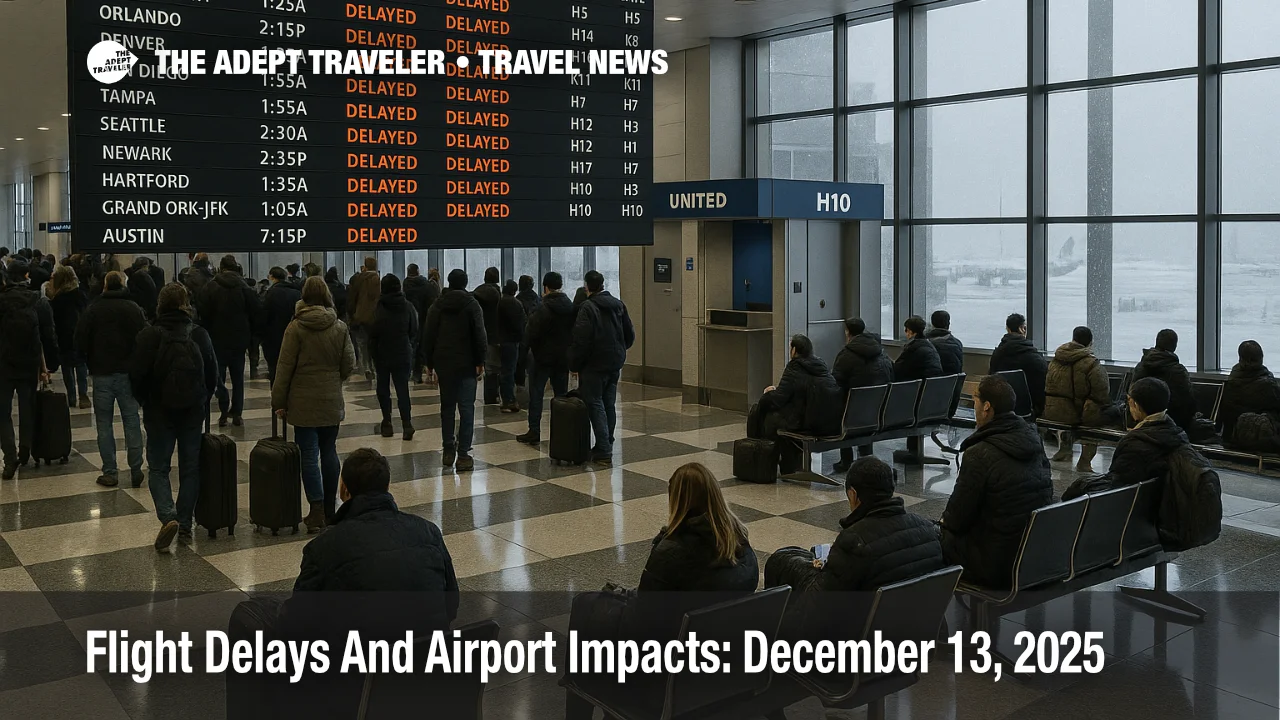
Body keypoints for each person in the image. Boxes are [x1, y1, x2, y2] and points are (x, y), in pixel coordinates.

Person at [764, 457, 944, 638]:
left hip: (866, 636)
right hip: (917, 632)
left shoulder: (854, 541)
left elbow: (821, 604)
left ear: (853, 494)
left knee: (782, 563)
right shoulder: (927, 529)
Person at [940, 375, 1053, 588]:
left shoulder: (979, 453)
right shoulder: (1033, 440)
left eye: (975, 400)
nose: (974, 406)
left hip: (995, 563)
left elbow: (957, 519)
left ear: (987, 407)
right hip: (1032, 553)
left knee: (927, 542)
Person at [131, 283, 218, 550]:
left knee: (158, 467)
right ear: (185, 305)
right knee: (190, 467)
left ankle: (168, 516)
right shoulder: (199, 334)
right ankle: (185, 524)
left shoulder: (149, 335)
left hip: (159, 410)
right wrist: (202, 399)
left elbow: (136, 375)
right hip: (192, 410)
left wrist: (145, 400)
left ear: (160, 305)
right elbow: (212, 374)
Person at [272, 277, 356, 530]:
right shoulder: (339, 326)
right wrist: (334, 379)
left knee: (308, 455)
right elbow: (349, 363)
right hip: (330, 399)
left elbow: (284, 367)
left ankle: (316, 510)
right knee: (329, 451)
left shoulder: (295, 327)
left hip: (302, 401)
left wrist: (278, 401)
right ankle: (330, 509)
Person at [637, 462, 758, 591]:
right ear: (715, 494)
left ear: (677, 501)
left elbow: (647, 599)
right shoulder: (738, 537)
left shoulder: (670, 550)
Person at [1063, 378, 1189, 501]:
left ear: (1136, 405)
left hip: (1136, 504)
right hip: (1162, 502)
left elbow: (1118, 485)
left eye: (1129, 401)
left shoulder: (1134, 444)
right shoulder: (1179, 435)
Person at [77, 271, 148, 488]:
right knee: (132, 420)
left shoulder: (93, 309)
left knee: (104, 424)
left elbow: (79, 340)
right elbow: (145, 339)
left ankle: (110, 471)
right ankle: (136, 469)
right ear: (123, 285)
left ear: (105, 285)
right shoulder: (133, 308)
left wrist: (89, 360)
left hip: (102, 374)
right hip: (127, 374)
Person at [419, 269, 487, 472]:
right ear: (465, 283)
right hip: (467, 363)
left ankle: (448, 449)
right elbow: (480, 334)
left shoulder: (437, 305)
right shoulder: (472, 305)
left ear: (448, 282)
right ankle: (463, 454)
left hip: (445, 363)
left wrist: (429, 362)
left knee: (447, 408)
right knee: (467, 409)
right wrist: (480, 360)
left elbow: (428, 335)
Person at [568, 270, 635, 465]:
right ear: (603, 285)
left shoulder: (587, 307)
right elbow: (630, 334)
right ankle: (607, 442)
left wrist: (574, 363)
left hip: (594, 364)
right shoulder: (618, 305)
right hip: (614, 362)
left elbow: (581, 339)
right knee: (608, 403)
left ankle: (603, 450)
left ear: (587, 287)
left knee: (594, 403)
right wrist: (619, 349)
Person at [0, 259, 59, 479]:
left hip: (3, 365)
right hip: (29, 364)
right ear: (27, 276)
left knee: (3, 413)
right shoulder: (38, 301)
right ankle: (25, 450)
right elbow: (48, 336)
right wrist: (49, 365)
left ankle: (9, 458)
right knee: (27, 409)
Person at [751, 334, 833, 475]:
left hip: (804, 423)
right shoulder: (821, 366)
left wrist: (767, 395)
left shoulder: (795, 367)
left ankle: (760, 458)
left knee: (762, 413)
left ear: (794, 350)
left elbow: (778, 399)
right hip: (825, 421)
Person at [198, 254, 261, 427]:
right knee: (238, 378)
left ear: (221, 267)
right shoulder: (245, 287)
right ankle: (237, 413)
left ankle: (223, 410)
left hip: (217, 339)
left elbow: (203, 313)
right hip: (239, 340)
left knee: (218, 378)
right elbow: (256, 312)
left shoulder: (210, 287)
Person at [1044, 326, 1117, 472]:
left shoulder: (1057, 359)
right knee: (1098, 414)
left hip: (1051, 411)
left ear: (1073, 339)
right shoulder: (1091, 363)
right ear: (1090, 343)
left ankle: (1065, 449)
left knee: (1069, 408)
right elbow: (1102, 394)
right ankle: (1085, 461)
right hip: (1075, 414)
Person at [517, 271, 576, 445]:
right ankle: (562, 432)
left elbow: (530, 333)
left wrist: (522, 357)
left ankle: (534, 431)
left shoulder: (542, 308)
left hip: (542, 358)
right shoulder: (570, 307)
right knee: (561, 396)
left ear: (545, 287)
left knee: (536, 394)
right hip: (563, 359)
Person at [830, 317, 893, 473]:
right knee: (864, 403)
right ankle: (866, 454)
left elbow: (836, 382)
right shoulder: (881, 352)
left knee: (843, 403)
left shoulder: (846, 354)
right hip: (879, 408)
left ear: (847, 332)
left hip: (852, 411)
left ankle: (846, 459)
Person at [369, 274, 418, 440]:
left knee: (383, 388)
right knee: (402, 389)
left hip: (382, 353)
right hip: (402, 352)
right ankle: (407, 424)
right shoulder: (408, 306)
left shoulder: (378, 307)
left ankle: (387, 422)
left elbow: (373, 333)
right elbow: (414, 329)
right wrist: (408, 344)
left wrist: (373, 354)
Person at [893, 315, 943, 462]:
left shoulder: (913, 348)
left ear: (911, 331)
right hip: (935, 397)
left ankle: (913, 451)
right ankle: (914, 450)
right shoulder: (929, 346)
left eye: (906, 330)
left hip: (919, 398)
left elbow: (898, 371)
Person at [1132, 329, 1197, 432]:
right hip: (1172, 423)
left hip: (1139, 421)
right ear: (1174, 346)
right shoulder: (1178, 370)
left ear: (1157, 342)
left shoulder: (1141, 367)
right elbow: (1188, 402)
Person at [1220, 340, 1280, 448]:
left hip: (1233, 436)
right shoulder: (1267, 384)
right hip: (1261, 437)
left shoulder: (1233, 380)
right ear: (1260, 359)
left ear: (1240, 358)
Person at [46, 265, 91, 409]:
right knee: (81, 365)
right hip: (79, 335)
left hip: (63, 336)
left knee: (67, 368)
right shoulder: (80, 295)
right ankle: (83, 394)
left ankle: (71, 397)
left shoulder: (57, 299)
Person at [989, 313, 1049, 417]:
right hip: (1029, 411)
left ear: (1008, 329)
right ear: (1022, 329)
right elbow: (1042, 389)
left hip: (1001, 410)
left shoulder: (997, 355)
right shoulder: (1035, 358)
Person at [260, 267, 303, 384]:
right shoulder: (296, 293)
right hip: (294, 335)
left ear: (272, 277)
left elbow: (264, 316)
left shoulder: (270, 294)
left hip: (273, 337)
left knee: (274, 370)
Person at [347, 257, 381, 381]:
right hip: (375, 316)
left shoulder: (359, 279)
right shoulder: (378, 280)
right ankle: (374, 366)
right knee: (374, 342)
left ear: (365, 266)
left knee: (362, 343)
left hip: (360, 315)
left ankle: (366, 366)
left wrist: (352, 314)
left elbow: (353, 298)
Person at [473, 267, 503, 404]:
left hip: (478, 333)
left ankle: (488, 396)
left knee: (483, 366)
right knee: (493, 367)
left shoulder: (476, 292)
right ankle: (493, 395)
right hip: (493, 335)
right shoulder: (497, 294)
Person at [497, 279, 527, 413]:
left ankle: (506, 399)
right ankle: (509, 400)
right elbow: (522, 322)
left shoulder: (500, 302)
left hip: (502, 340)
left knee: (505, 371)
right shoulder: (516, 303)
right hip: (513, 341)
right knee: (509, 370)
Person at [403, 264, 433, 383]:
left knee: (411, 345)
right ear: (418, 271)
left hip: (409, 319)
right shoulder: (426, 285)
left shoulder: (406, 285)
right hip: (423, 318)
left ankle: (408, 370)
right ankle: (417, 373)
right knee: (421, 346)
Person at [894, 315, 944, 381]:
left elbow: (898, 369)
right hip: (934, 383)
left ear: (909, 331)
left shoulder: (913, 348)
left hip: (918, 384)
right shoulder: (930, 346)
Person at [925, 310, 964, 375]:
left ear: (932, 323)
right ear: (948, 323)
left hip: (932, 380)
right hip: (952, 380)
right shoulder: (957, 343)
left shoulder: (926, 343)